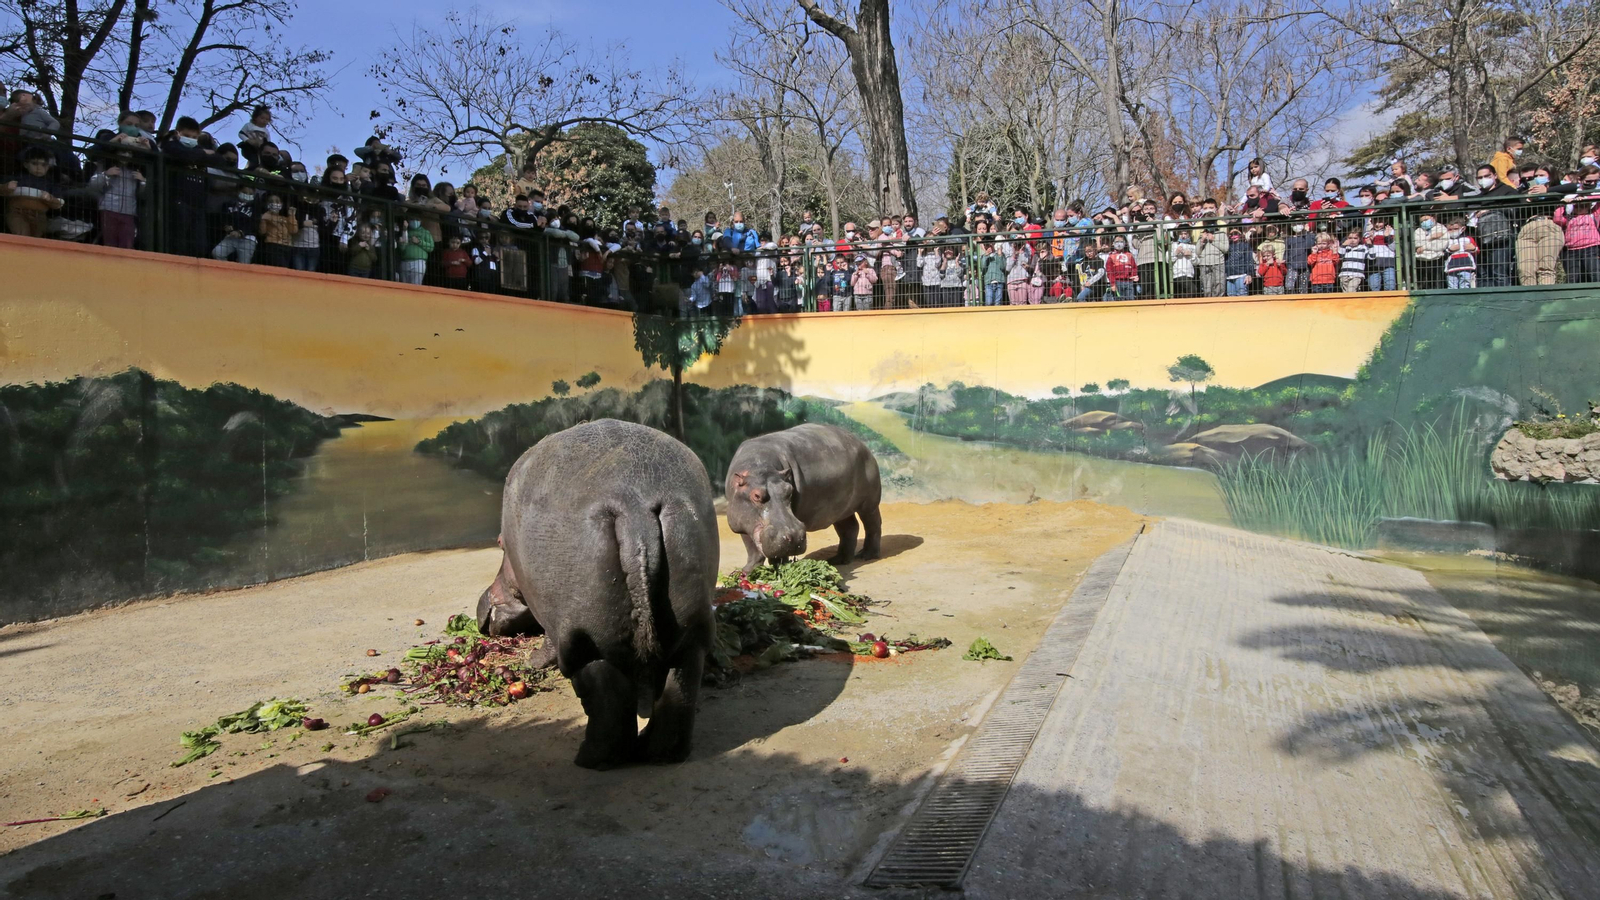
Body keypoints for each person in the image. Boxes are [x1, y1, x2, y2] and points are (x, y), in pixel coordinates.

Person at [2, 145, 63, 237]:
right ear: (26, 164)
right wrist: (6, 187)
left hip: (40, 216)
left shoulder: (50, 184)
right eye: (34, 163)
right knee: (22, 234)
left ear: (48, 167)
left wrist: (50, 199)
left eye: (43, 165)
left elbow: (58, 203)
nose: (39, 168)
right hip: (17, 213)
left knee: (36, 238)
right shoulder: (18, 178)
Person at [88, 159, 143, 248]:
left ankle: (124, 262)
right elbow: (93, 185)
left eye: (129, 153)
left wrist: (143, 181)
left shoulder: (136, 169)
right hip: (109, 208)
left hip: (128, 211)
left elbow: (143, 194)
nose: (126, 156)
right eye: (123, 151)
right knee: (110, 243)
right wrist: (105, 174)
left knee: (127, 244)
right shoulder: (106, 165)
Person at [1553, 194, 1600, 283]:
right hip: (1572, 250)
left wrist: (1585, 198)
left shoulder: (1593, 215)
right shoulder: (1568, 218)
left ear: (1589, 206)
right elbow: (1557, 219)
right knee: (1572, 276)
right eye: (1576, 205)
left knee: (1595, 271)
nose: (1580, 208)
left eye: (1583, 205)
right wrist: (1563, 204)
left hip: (1590, 248)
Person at [211, 185, 258, 263]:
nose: (247, 195)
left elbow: (255, 223)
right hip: (231, 237)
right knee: (217, 253)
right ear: (238, 191)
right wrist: (226, 226)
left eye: (250, 194)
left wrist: (241, 232)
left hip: (248, 240)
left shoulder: (255, 207)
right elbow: (223, 218)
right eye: (244, 192)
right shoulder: (228, 204)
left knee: (243, 264)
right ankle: (229, 272)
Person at [256, 193, 299, 268]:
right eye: (271, 201)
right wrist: (263, 220)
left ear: (281, 204)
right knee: (280, 268)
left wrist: (292, 216)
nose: (274, 203)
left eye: (277, 201)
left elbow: (294, 231)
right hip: (273, 246)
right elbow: (262, 232)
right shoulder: (265, 216)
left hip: (287, 247)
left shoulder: (285, 218)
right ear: (267, 204)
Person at [1413, 213, 1450, 289]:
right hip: (1421, 260)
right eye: (1422, 221)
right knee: (1423, 285)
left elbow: (1441, 246)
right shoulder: (1418, 231)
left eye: (1426, 220)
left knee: (1437, 284)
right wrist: (1431, 238)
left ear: (1434, 218)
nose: (1424, 222)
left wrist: (1424, 247)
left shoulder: (1442, 229)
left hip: (1437, 259)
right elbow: (1417, 244)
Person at [397, 214, 433, 284]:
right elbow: (401, 248)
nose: (415, 221)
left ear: (421, 221)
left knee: (416, 285)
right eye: (412, 219)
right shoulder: (404, 232)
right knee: (404, 286)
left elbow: (431, 247)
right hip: (405, 261)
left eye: (417, 219)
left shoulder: (425, 232)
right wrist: (404, 232)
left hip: (418, 262)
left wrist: (419, 242)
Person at [1443, 218, 1478, 289]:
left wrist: (1473, 248)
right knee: (1451, 287)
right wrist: (1449, 250)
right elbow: (1442, 254)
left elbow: (1477, 252)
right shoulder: (1446, 240)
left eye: (1455, 229)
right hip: (1451, 268)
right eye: (1450, 230)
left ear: (1463, 228)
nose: (1453, 231)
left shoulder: (1469, 239)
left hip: (1466, 266)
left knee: (1465, 285)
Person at [1223, 228, 1254, 296]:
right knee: (1230, 296)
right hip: (1229, 277)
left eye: (1236, 234)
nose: (1233, 236)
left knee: (1242, 294)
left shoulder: (1245, 245)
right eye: (1231, 235)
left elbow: (1249, 260)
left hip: (1241, 275)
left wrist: (1249, 274)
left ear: (1240, 234)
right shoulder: (1227, 247)